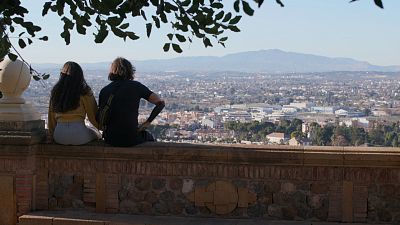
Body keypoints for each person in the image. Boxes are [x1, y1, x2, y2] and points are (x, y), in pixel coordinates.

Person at [98, 57, 165, 147]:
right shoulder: (136, 87)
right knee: (150, 139)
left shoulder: (105, 90)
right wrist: (147, 122)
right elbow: (160, 103)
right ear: (130, 71)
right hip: (131, 137)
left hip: (110, 138)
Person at [48, 61, 101, 145]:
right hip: (79, 133)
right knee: (97, 134)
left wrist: (51, 135)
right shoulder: (84, 91)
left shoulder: (56, 92)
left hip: (59, 135)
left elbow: (51, 118)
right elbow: (92, 116)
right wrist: (100, 128)